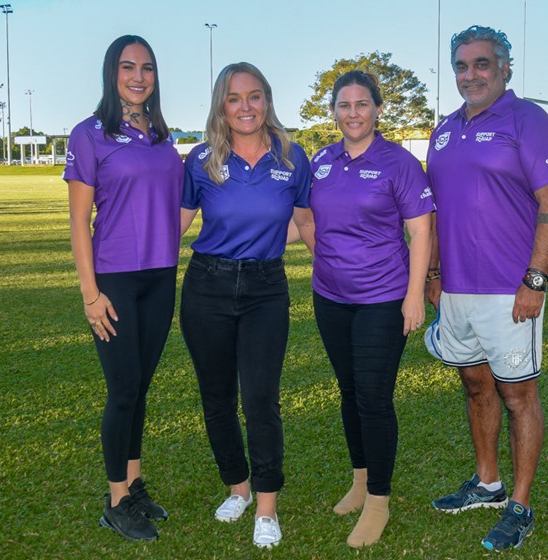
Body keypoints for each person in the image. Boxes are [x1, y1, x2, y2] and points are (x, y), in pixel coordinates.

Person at [425, 25, 548, 552]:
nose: (471, 75)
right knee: (474, 385)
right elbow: (434, 210)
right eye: (462, 66)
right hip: (457, 290)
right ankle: (487, 484)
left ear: (505, 67)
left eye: (482, 64)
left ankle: (521, 505)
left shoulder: (527, 120)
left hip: (510, 290)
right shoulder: (444, 129)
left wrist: (536, 280)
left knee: (517, 394)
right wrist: (435, 274)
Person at [179, 62, 315, 549]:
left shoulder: (292, 157)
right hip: (206, 287)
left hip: (265, 289)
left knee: (260, 399)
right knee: (216, 399)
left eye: (254, 96)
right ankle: (237, 487)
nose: (245, 107)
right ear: (222, 105)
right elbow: (171, 230)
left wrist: (337, 272)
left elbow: (308, 223)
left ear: (267, 101)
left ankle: (266, 505)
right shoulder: (200, 159)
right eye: (234, 98)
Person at [64, 35, 182, 541]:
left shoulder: (160, 133)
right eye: (129, 67)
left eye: (148, 68)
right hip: (114, 277)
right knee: (123, 389)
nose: (139, 76)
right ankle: (115, 502)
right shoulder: (89, 134)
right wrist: (91, 294)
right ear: (112, 73)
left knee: (141, 387)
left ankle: (133, 485)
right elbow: (77, 221)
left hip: (160, 276)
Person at [308, 70, 433, 548]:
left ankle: (379, 501)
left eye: (362, 104)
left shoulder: (398, 163)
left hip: (383, 298)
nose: (353, 113)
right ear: (334, 111)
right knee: (348, 392)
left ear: (378, 110)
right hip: (330, 297)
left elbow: (421, 232)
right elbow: (307, 220)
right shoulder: (322, 161)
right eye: (344, 104)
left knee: (374, 398)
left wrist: (414, 294)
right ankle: (360, 481)